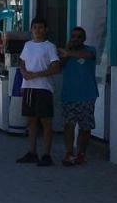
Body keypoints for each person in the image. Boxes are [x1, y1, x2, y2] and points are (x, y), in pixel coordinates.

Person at [16, 17, 59, 166]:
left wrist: (36, 74)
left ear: (45, 29)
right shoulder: (27, 45)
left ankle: (47, 154)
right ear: (32, 30)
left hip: (44, 88)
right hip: (28, 88)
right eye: (35, 27)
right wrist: (23, 72)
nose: (38, 30)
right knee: (31, 121)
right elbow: (21, 62)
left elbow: (55, 67)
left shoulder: (50, 47)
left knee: (46, 121)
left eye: (41, 27)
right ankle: (32, 152)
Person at [58, 26, 98, 166]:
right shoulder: (66, 53)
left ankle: (81, 154)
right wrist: (67, 53)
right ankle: (69, 153)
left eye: (79, 37)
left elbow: (88, 57)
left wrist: (69, 54)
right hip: (69, 95)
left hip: (87, 95)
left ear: (84, 39)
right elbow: (59, 67)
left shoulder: (90, 50)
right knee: (68, 126)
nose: (76, 39)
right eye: (73, 36)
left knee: (85, 127)